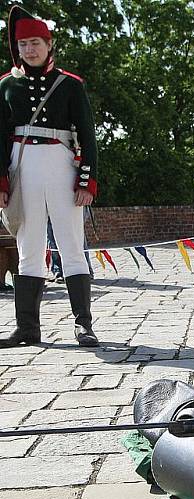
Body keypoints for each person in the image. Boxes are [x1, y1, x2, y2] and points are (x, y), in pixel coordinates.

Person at [0, 7, 99, 347]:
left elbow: (87, 135)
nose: (30, 50)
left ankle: (83, 324)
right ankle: (27, 329)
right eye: (24, 44)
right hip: (21, 165)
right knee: (28, 248)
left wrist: (87, 181)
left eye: (36, 43)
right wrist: (1, 183)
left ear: (48, 43)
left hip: (60, 163)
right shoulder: (6, 85)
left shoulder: (70, 85)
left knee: (71, 245)